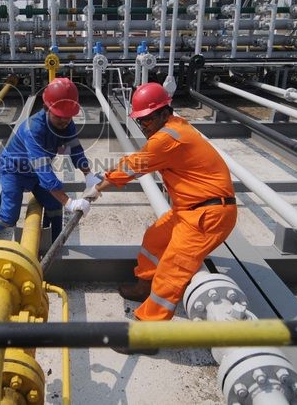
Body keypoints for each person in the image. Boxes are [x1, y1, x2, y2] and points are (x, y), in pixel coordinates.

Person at [84, 82, 237, 327]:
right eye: (140, 120)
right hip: (189, 210)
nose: (143, 125)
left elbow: (134, 166)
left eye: (147, 119)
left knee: (171, 271)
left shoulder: (167, 139)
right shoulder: (175, 127)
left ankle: (148, 330)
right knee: (154, 239)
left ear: (164, 113)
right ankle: (143, 286)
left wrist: (98, 188)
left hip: (207, 215)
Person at [0, 77, 97, 245]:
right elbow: (43, 169)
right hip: (14, 171)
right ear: (46, 108)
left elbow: (76, 150)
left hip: (33, 172)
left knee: (54, 204)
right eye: (59, 116)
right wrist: (69, 202)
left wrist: (89, 175)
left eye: (69, 116)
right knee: (8, 217)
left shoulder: (66, 123)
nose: (65, 121)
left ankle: (54, 241)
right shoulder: (34, 129)